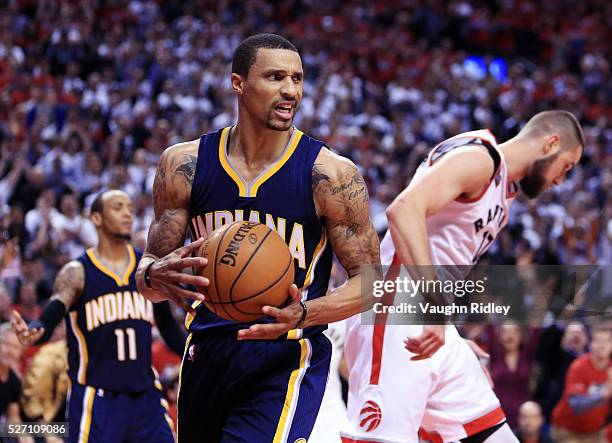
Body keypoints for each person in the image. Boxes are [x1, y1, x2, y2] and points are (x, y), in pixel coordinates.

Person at [135, 33, 380, 442]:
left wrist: (306, 314)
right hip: (206, 350)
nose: (290, 91)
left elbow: (372, 283)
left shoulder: (331, 175)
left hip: (284, 356)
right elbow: (147, 275)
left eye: (297, 79)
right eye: (275, 77)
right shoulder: (184, 164)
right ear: (239, 83)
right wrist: (153, 276)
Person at [343, 110, 584, 443]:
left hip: (430, 319)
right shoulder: (481, 158)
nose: (560, 180)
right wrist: (435, 309)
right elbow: (403, 209)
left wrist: (447, 329)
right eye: (566, 167)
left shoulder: (503, 189)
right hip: (395, 306)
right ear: (550, 144)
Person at [11, 190, 186, 443]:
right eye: (117, 207)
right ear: (96, 218)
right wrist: (38, 328)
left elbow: (168, 326)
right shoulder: (77, 272)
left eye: (128, 207)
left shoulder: (146, 269)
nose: (127, 213)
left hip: (145, 395)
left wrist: (194, 351)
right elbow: (55, 308)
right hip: (97, 398)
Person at [551, 325, 612, 443]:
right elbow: (576, 406)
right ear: (590, 344)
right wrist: (605, 394)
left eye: (607, 341)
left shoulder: (610, 369)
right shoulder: (579, 367)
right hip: (568, 430)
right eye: (598, 340)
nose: (602, 345)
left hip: (596, 432)